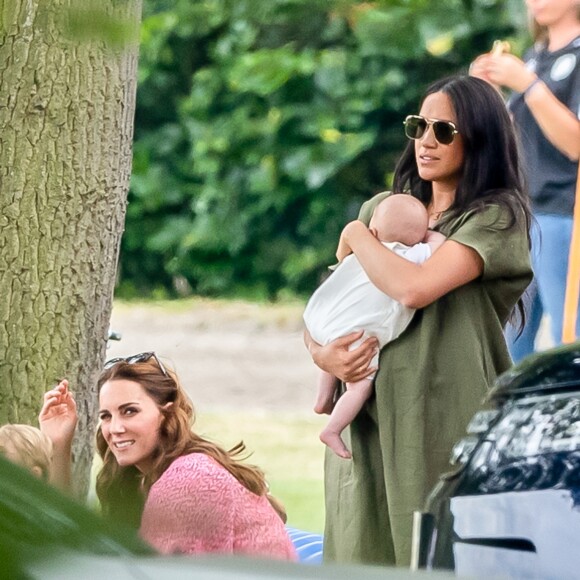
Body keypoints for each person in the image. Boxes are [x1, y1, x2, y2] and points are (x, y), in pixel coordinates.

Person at [304, 75, 533, 566]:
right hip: (367, 420)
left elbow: (414, 287)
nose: (426, 141)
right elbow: (332, 302)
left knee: (439, 556)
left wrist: (357, 235)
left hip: (444, 414)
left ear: (480, 139)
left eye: (444, 130)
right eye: (419, 126)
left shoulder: (494, 219)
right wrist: (324, 355)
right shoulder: (385, 210)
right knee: (360, 552)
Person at [39, 353, 297, 560]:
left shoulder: (189, 479)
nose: (114, 428)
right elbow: (73, 542)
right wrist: (59, 444)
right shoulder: (138, 478)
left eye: (129, 411)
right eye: (106, 416)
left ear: (167, 413)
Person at [470, 0, 580, 361]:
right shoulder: (534, 56)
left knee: (570, 339)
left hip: (565, 214)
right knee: (507, 339)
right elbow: (515, 140)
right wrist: (486, 95)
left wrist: (528, 85)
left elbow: (574, 144)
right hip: (522, 214)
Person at [303, 194, 445, 459]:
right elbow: (440, 245)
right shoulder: (411, 255)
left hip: (322, 319)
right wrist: (429, 235)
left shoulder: (362, 251)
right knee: (360, 385)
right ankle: (332, 429)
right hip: (358, 331)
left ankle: (323, 399)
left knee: (336, 347)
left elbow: (340, 259)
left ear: (373, 230)